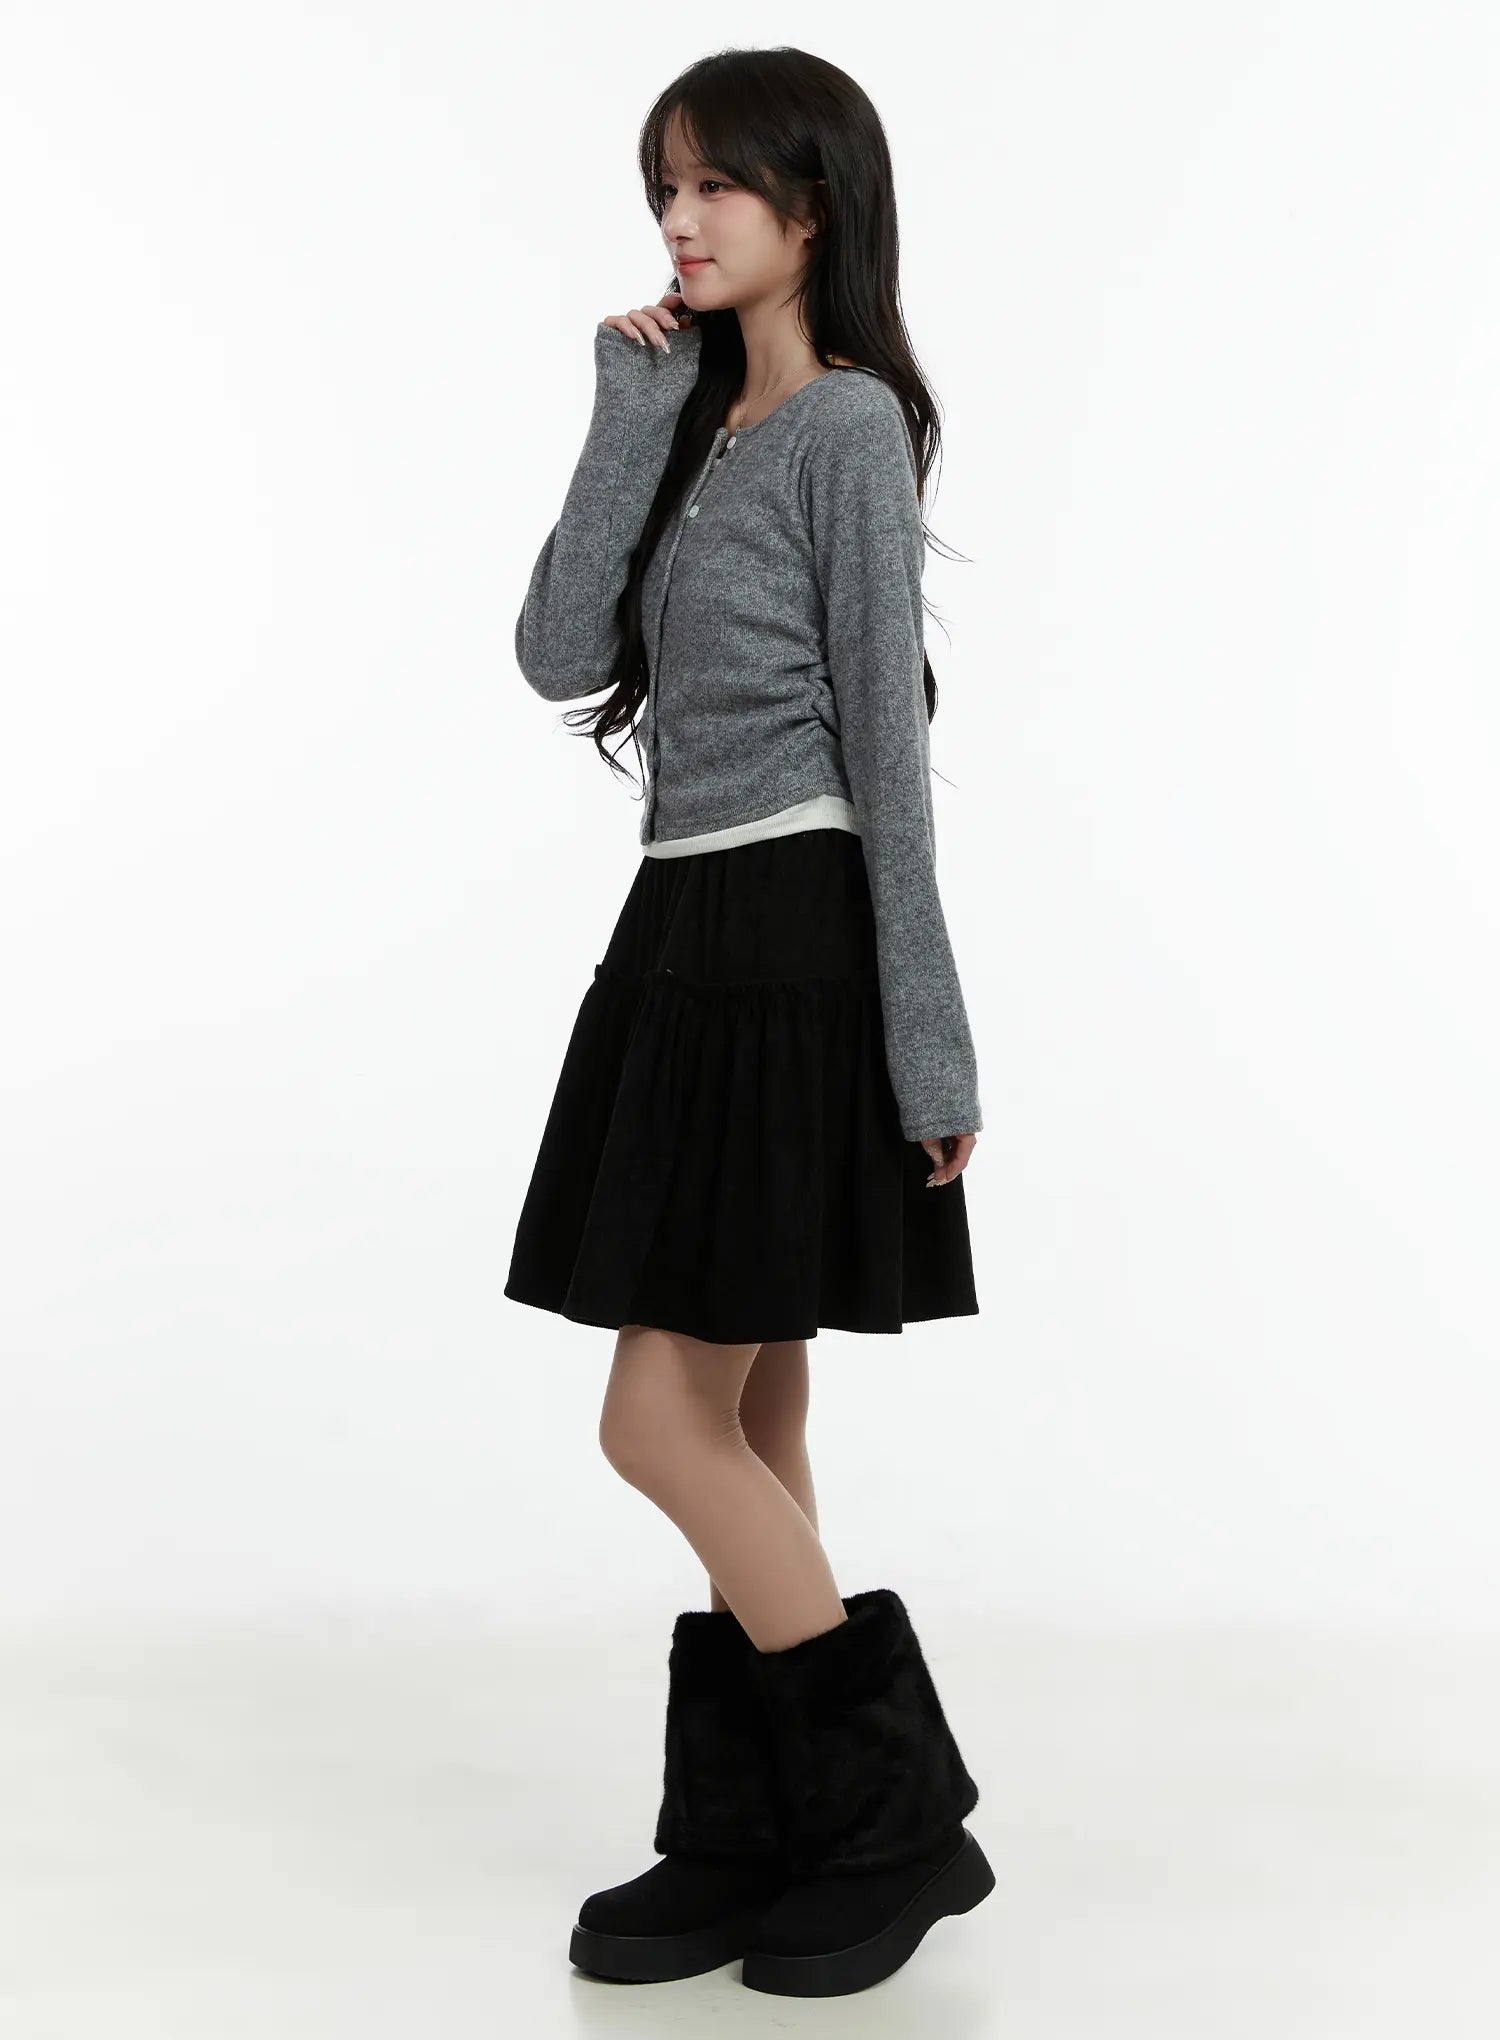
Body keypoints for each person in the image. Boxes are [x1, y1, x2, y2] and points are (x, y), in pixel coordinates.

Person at [505, 48, 994, 1999]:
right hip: (680, 927)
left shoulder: (850, 426)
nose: (681, 222)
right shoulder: (696, 419)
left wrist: (927, 1037)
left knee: (658, 1416)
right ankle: (757, 1821)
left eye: (716, 185)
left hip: (790, 933)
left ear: (814, 204)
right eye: (665, 189)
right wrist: (626, 413)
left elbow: (890, 742)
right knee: (749, 1406)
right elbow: (558, 651)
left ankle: (898, 1819)